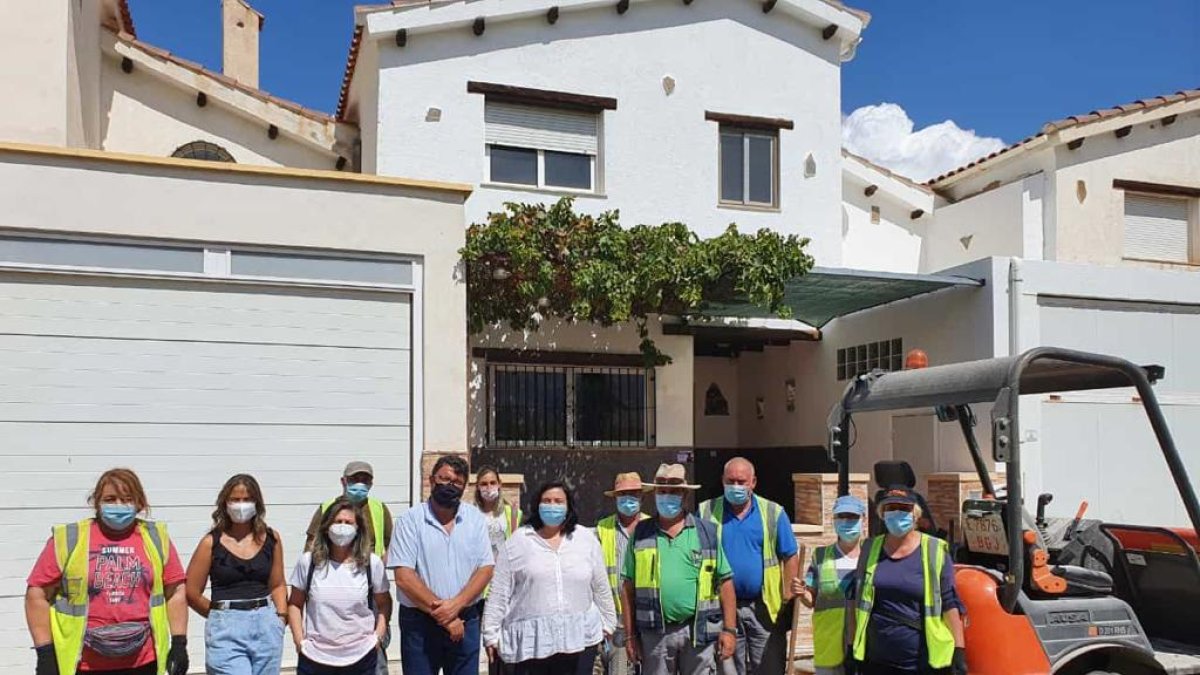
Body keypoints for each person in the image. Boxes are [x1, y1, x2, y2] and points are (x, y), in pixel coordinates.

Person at [25, 468, 189, 675]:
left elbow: (175, 592)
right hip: (84, 662)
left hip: (143, 660)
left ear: (140, 503)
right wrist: (45, 653)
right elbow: (37, 594)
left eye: (127, 499)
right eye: (110, 499)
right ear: (96, 503)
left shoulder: (156, 537)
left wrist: (179, 643)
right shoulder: (70, 538)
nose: (119, 506)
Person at [483, 481, 618, 675]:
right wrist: (491, 634)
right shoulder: (519, 541)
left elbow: (600, 585)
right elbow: (499, 592)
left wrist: (608, 623)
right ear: (537, 506)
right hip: (533, 644)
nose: (552, 505)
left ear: (568, 506)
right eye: (546, 501)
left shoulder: (585, 539)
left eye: (558, 501)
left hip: (579, 640)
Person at [621, 463, 737, 675]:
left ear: (684, 495)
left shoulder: (707, 533)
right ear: (654, 493)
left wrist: (729, 630)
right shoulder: (641, 533)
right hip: (655, 634)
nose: (667, 496)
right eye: (662, 491)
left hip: (698, 632)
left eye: (673, 491)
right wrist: (630, 636)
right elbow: (627, 587)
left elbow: (725, 581)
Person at [389, 455, 495, 675]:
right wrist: (446, 617)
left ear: (464, 487)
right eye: (444, 479)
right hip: (420, 623)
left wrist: (456, 607)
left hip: (466, 619)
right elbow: (404, 577)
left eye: (457, 482)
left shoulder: (475, 519)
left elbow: (485, 569)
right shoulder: (410, 520)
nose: (450, 485)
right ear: (431, 480)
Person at [848, 488, 966, 675]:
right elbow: (857, 599)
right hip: (876, 661)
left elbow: (949, 602)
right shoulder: (870, 548)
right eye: (891, 508)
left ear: (916, 514)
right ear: (882, 514)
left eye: (904, 508)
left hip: (921, 661)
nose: (897, 513)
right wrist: (850, 647)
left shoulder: (934, 549)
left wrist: (959, 649)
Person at [699, 458, 799, 675]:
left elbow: (790, 556)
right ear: (722, 481)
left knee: (769, 666)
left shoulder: (773, 512)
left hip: (763, 608)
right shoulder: (706, 511)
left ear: (753, 482)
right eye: (730, 480)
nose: (735, 486)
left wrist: (788, 598)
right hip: (722, 608)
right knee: (728, 667)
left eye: (741, 481)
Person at [185, 473, 287, 675]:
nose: (241, 505)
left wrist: (280, 618)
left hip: (267, 626)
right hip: (226, 628)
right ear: (225, 503)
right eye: (235, 500)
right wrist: (220, 614)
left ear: (257, 503)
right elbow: (191, 592)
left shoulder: (271, 538)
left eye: (247, 499)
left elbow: (277, 584)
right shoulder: (210, 543)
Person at [305, 461, 394, 673]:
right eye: (355, 480)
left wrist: (377, 566)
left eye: (365, 480)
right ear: (343, 481)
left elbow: (391, 543)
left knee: (375, 655)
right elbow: (310, 546)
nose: (360, 484)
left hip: (368, 590)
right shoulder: (327, 508)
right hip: (332, 589)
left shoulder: (379, 509)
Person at [288, 497, 391, 675]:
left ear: (358, 529)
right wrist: (299, 641)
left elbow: (384, 603)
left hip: (361, 657)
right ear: (327, 527)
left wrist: (378, 638)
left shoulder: (370, 564)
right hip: (315, 658)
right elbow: (295, 604)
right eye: (338, 522)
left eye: (349, 522)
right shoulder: (309, 563)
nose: (343, 527)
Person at [793, 495, 866, 675]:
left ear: (863, 519)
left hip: (865, 644)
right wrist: (802, 592)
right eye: (841, 517)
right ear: (833, 520)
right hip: (830, 643)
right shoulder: (821, 556)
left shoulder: (873, 554)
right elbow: (812, 599)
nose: (847, 522)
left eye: (852, 517)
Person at [595, 473, 650, 675]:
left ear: (642, 497)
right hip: (614, 622)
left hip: (647, 620)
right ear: (615, 498)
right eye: (623, 494)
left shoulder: (652, 527)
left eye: (634, 494)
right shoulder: (602, 529)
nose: (629, 499)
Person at [474, 466, 522, 562]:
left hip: (504, 568)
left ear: (499, 484)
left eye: (493, 483)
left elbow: (516, 544)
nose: (489, 488)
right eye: (484, 484)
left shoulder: (511, 512)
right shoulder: (471, 514)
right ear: (477, 487)